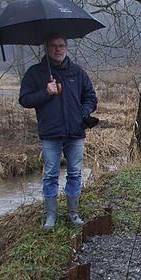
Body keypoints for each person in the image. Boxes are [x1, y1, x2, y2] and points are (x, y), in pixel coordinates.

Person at [19, 34, 97, 230]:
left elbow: (91, 97)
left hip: (75, 133)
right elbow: (24, 100)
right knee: (51, 175)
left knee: (75, 174)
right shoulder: (36, 73)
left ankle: (73, 214)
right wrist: (46, 92)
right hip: (50, 134)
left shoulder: (77, 73)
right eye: (54, 46)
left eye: (62, 45)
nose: (58, 49)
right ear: (47, 47)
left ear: (66, 47)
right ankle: (51, 217)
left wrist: (83, 112)